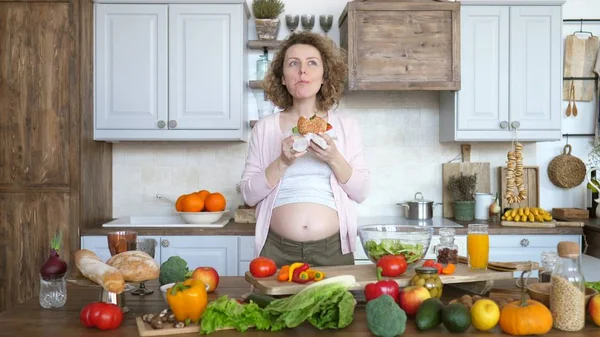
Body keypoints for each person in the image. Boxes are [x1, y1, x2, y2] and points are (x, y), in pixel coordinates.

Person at [240, 31, 370, 267]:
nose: (302, 71)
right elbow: (248, 195)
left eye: (312, 63)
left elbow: (360, 192)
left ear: (323, 77)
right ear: (282, 78)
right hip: (276, 249)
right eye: (293, 64)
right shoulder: (265, 127)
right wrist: (281, 163)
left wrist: (333, 157)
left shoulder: (346, 126)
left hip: (333, 250)